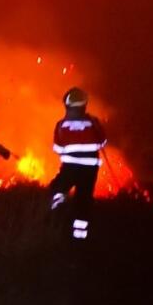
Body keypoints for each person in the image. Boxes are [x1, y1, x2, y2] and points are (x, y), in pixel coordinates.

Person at [50, 87, 107, 243]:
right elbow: (103, 142)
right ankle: (79, 236)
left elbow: (57, 148)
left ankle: (59, 199)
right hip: (90, 168)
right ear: (84, 105)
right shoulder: (93, 122)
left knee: (58, 185)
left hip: (70, 166)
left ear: (67, 105)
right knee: (83, 199)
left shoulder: (61, 124)